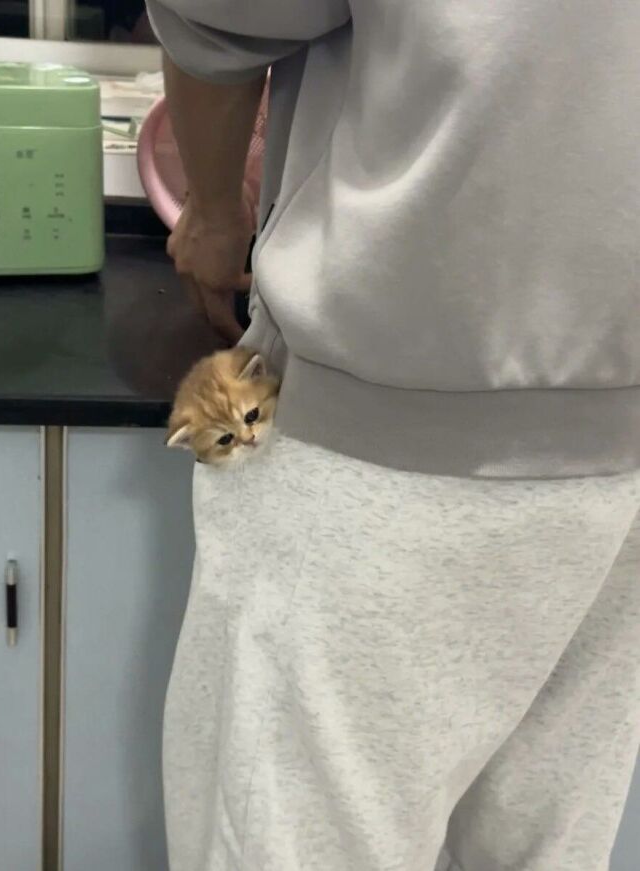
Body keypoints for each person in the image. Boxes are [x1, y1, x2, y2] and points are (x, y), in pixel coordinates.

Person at [145, 2, 640, 869]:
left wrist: (216, 215)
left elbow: (209, 19)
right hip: (615, 442)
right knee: (546, 844)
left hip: (382, 437)